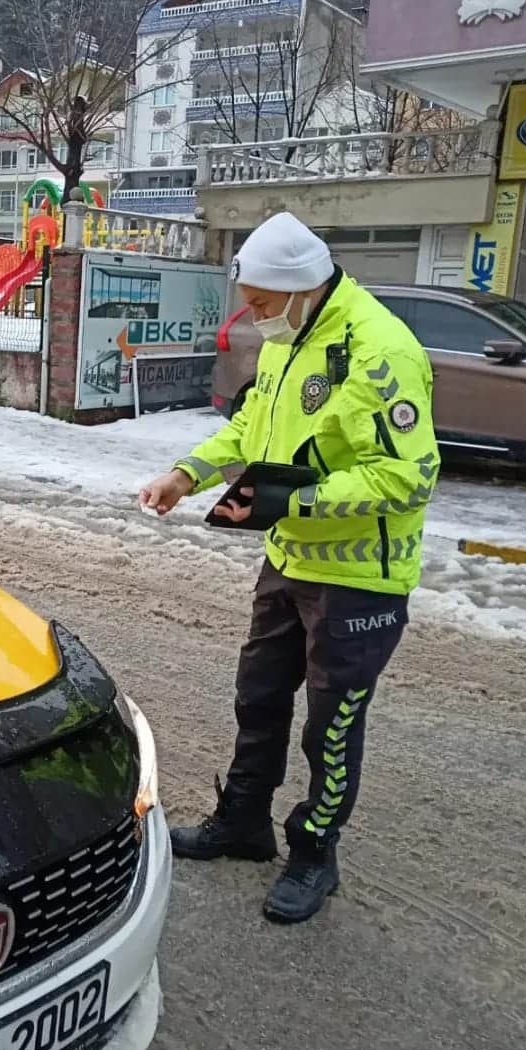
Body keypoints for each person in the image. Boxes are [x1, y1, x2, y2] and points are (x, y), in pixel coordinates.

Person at [139, 212, 439, 923]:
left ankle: (314, 854)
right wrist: (190, 474)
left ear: (303, 287)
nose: (254, 314)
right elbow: (252, 428)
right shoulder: (290, 336)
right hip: (288, 557)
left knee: (329, 727)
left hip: (361, 574)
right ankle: (243, 823)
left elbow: (410, 476)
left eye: (264, 302)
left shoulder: (379, 352)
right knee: (259, 697)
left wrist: (294, 502)